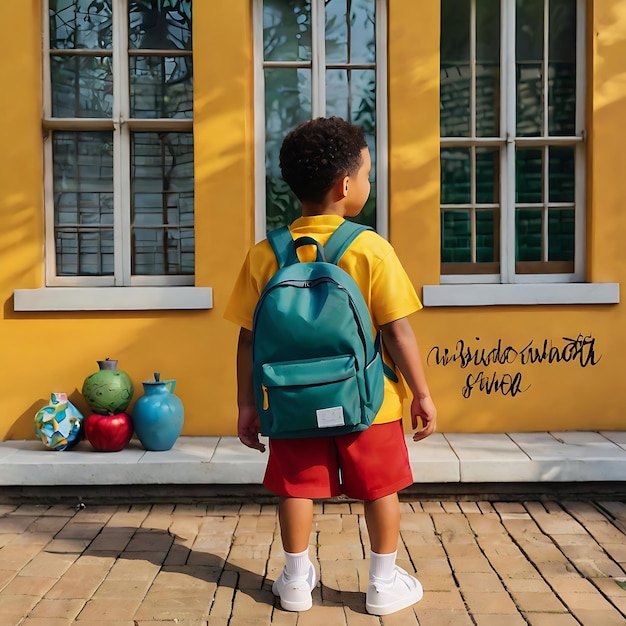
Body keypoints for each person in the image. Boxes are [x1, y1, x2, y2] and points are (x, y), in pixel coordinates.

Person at [224, 116, 437, 616]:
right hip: (369, 400)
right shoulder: (369, 248)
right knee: (380, 488)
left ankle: (296, 582)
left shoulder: (265, 255)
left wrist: (246, 403)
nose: (367, 183)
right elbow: (397, 332)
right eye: (366, 175)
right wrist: (422, 392)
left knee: (296, 487)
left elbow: (246, 341)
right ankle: (383, 584)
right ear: (346, 186)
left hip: (292, 401)